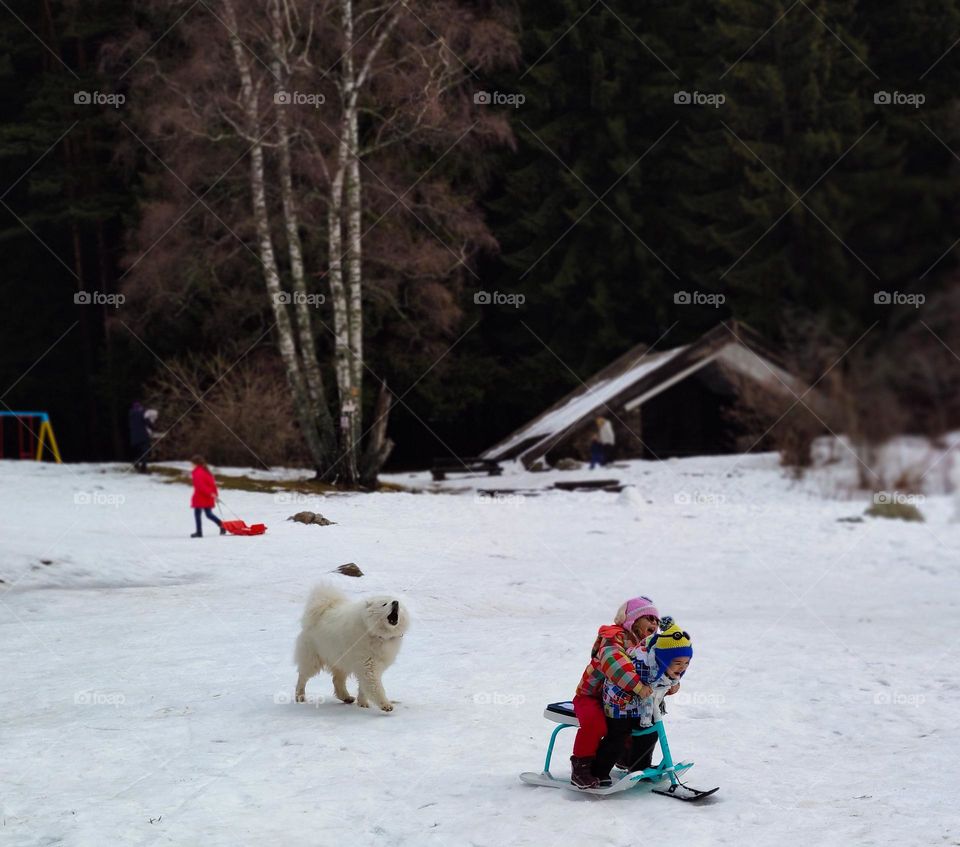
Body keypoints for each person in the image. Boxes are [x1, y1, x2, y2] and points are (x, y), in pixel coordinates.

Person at [569, 596, 660, 790]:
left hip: (621, 699)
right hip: (591, 696)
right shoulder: (613, 637)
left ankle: (632, 760)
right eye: (649, 618)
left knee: (645, 723)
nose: (654, 623)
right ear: (632, 620)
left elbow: (655, 670)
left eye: (656, 620)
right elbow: (614, 661)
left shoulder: (647, 647)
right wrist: (637, 686)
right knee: (597, 725)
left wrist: (670, 682)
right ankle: (582, 767)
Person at [592, 619, 693, 783]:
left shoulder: (663, 664)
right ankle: (598, 772)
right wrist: (639, 687)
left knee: (650, 733)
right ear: (663, 659)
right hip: (619, 704)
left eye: (686, 663)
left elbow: (663, 681)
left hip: (642, 707)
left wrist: (672, 687)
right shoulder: (640, 663)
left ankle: (639, 767)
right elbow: (627, 678)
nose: (683, 667)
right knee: (618, 737)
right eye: (678, 663)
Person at [190, 455, 225, 538]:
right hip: (207, 497)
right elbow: (213, 485)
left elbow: (201, 486)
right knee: (208, 514)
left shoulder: (197, 472)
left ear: (195, 463)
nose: (191, 465)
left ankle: (199, 532)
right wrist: (214, 494)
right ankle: (222, 525)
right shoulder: (206, 471)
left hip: (201, 497)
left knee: (198, 514)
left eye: (192, 463)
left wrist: (211, 493)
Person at [128, 401, 150, 473]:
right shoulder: (142, 414)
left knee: (138, 452)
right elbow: (148, 423)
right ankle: (143, 468)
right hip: (143, 436)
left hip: (134, 437)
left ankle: (136, 462)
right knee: (145, 451)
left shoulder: (131, 415)